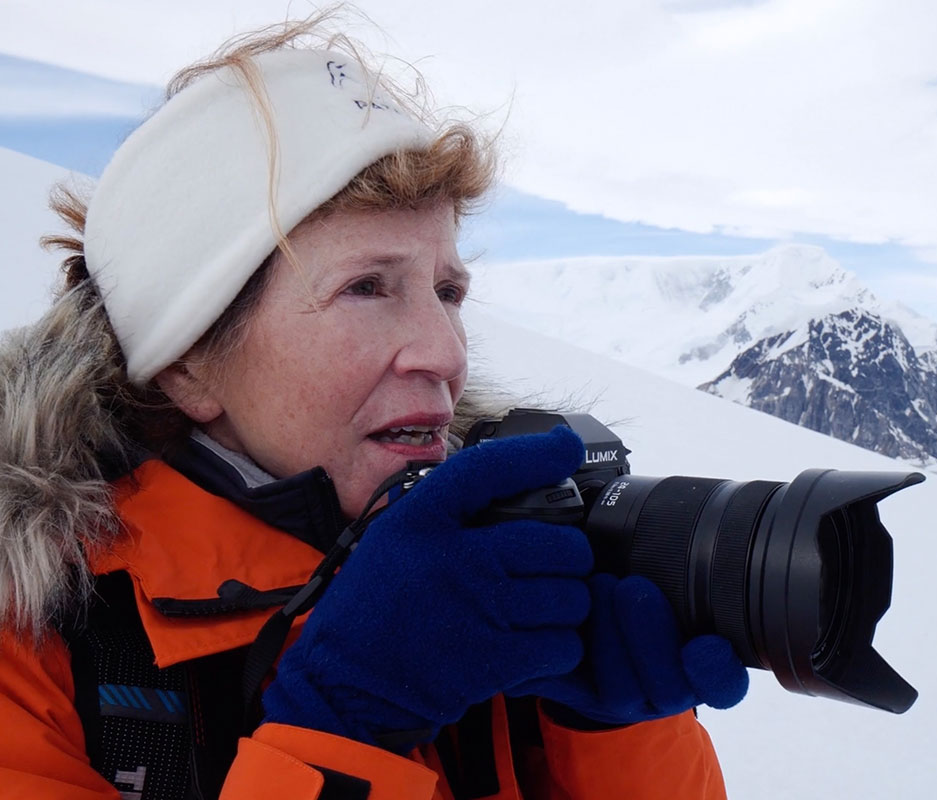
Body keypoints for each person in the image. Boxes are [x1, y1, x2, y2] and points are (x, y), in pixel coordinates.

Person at [0, 13, 748, 799]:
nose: (447, 353)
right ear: (188, 362)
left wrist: (604, 744)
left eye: (448, 291)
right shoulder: (38, 639)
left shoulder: (504, 583)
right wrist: (340, 728)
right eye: (366, 287)